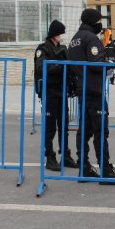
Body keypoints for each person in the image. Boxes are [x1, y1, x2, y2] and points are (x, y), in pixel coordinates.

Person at [68, 8, 115, 185]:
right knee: (101, 130)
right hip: (94, 89)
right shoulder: (90, 38)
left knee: (84, 130)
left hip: (83, 89)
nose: (101, 24)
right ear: (94, 21)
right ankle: (105, 171)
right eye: (99, 20)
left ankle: (84, 168)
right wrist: (112, 63)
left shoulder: (75, 39)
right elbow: (95, 64)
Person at [35, 20, 79, 171]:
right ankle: (50, 157)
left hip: (61, 91)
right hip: (49, 92)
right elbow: (41, 67)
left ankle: (65, 156)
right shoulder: (43, 49)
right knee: (50, 127)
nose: (61, 37)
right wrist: (61, 65)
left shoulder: (61, 49)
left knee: (63, 125)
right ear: (54, 34)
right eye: (60, 34)